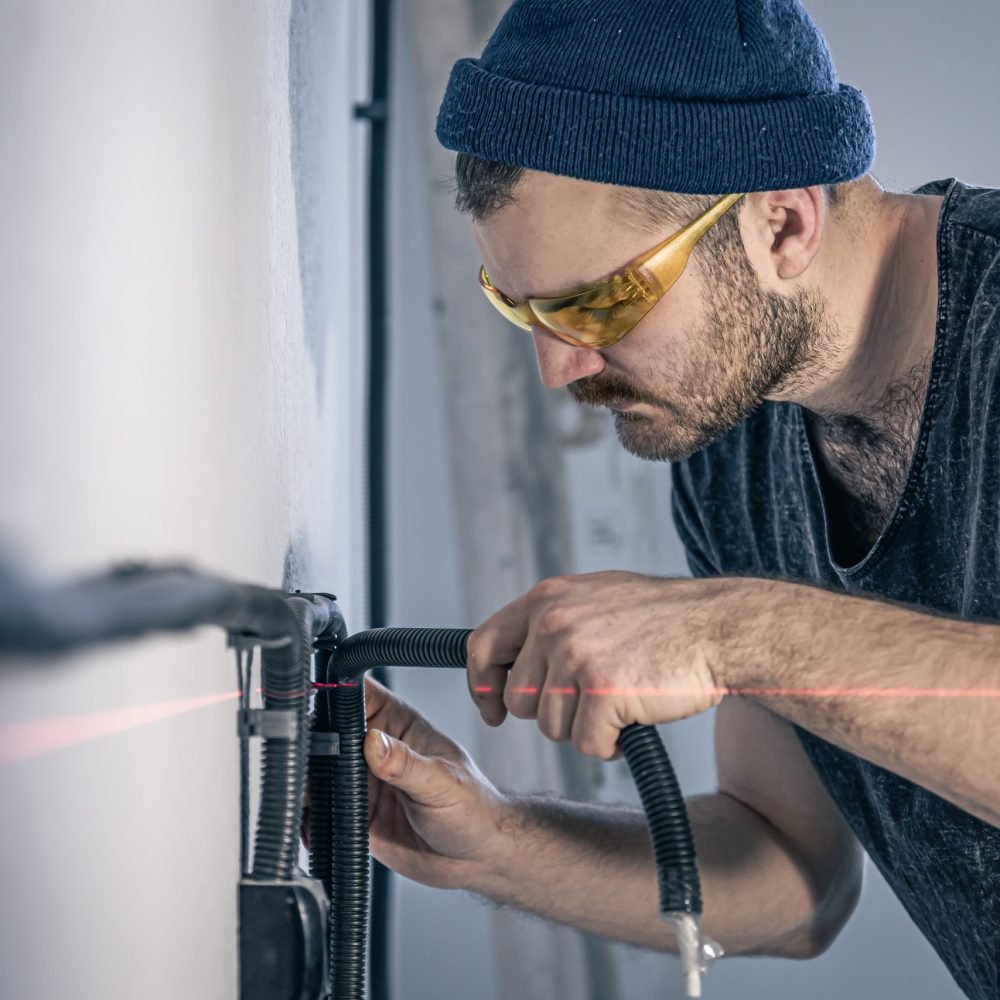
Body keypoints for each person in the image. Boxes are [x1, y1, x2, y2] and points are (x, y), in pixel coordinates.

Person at [355, 2, 1000, 997]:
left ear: (782, 220)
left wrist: (731, 633)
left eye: (598, 303)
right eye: (521, 307)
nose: (559, 369)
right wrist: (489, 838)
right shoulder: (729, 439)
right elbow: (791, 869)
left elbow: (746, 641)